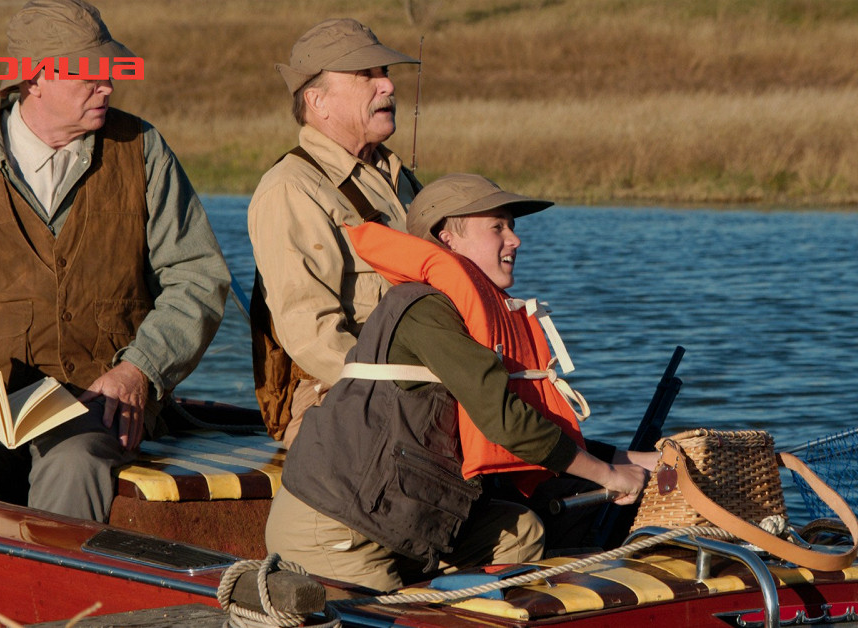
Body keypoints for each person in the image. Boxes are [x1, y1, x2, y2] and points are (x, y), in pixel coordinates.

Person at [0, 0, 230, 523]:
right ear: (36, 80)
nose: (109, 86)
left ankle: (51, 605)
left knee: (74, 464)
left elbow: (197, 278)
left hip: (102, 396)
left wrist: (139, 371)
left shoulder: (143, 150)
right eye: (91, 75)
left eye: (110, 72)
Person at [264, 174, 655, 591]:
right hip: (340, 529)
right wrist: (609, 476)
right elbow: (507, 424)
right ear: (447, 239)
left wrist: (630, 458)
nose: (515, 240)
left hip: (399, 517)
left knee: (522, 532)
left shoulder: (468, 312)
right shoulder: (425, 309)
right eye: (497, 227)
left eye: (512, 227)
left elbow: (529, 423)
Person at [247, 18, 421, 447]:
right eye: (367, 75)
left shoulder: (399, 179)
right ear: (317, 101)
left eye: (385, 73)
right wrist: (410, 389)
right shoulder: (291, 188)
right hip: (333, 397)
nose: (387, 86)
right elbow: (312, 335)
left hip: (417, 382)